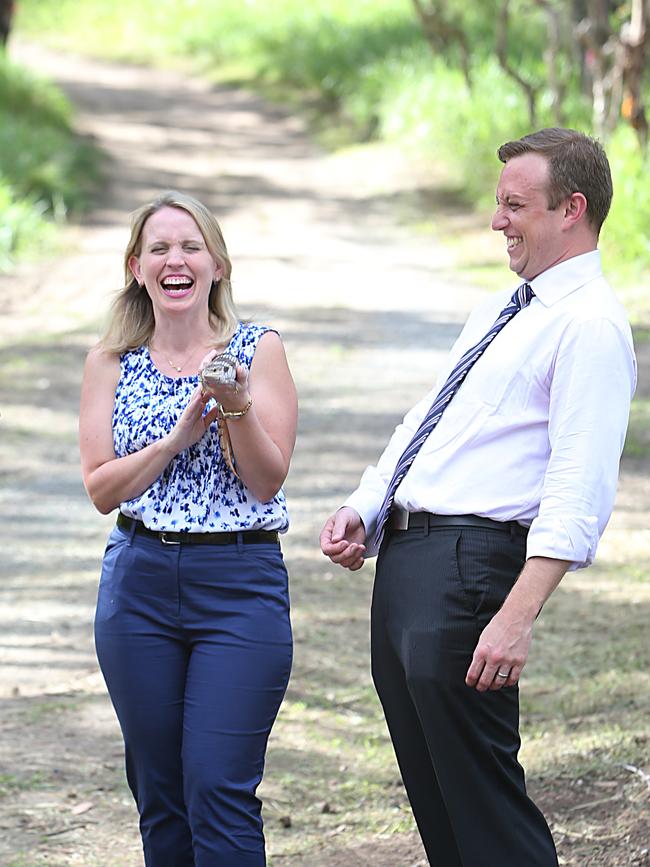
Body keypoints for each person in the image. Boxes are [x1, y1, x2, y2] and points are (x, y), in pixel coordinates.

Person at [320, 128, 636, 866]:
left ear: (572, 210)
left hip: (471, 571)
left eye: (514, 205)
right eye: (498, 204)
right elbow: (430, 419)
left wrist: (516, 615)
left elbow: (579, 486)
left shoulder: (589, 324)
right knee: (440, 802)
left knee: (485, 808)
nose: (497, 220)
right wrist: (368, 504)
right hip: (408, 560)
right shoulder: (505, 306)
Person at [79, 190, 297, 867]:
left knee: (217, 785)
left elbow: (267, 480)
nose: (176, 260)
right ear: (136, 266)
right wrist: (173, 440)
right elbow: (100, 488)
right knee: (161, 792)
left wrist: (235, 409)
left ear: (218, 265)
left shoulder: (257, 350)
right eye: (160, 248)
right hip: (137, 587)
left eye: (191, 246)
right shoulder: (110, 362)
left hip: (239, 586)